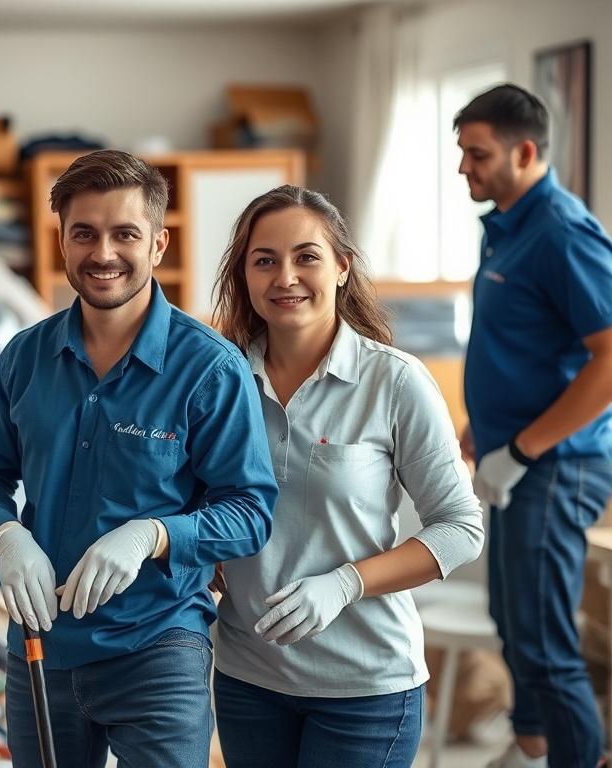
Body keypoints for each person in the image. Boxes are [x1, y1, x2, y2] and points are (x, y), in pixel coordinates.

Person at [0, 149, 278, 768]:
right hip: (41, 647)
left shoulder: (210, 369)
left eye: (124, 233)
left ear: (159, 243)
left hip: (158, 647)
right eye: (85, 233)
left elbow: (251, 509)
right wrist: (3, 534)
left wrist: (154, 534)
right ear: (61, 240)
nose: (103, 253)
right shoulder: (23, 359)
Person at [210, 185, 484, 767]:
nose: (286, 277)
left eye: (306, 256)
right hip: (247, 679)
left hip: (365, 688)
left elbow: (460, 529)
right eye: (265, 260)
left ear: (341, 267)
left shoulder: (395, 383)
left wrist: (343, 584)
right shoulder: (219, 382)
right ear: (245, 275)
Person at [454, 84, 612, 768]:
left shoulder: (560, 231)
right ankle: (533, 750)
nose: (464, 168)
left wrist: (519, 447)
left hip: (553, 466)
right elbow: (522, 344)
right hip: (511, 459)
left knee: (546, 649)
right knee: (512, 630)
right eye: (461, 152)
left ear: (525, 152)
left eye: (477, 154)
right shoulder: (508, 222)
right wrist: (481, 427)